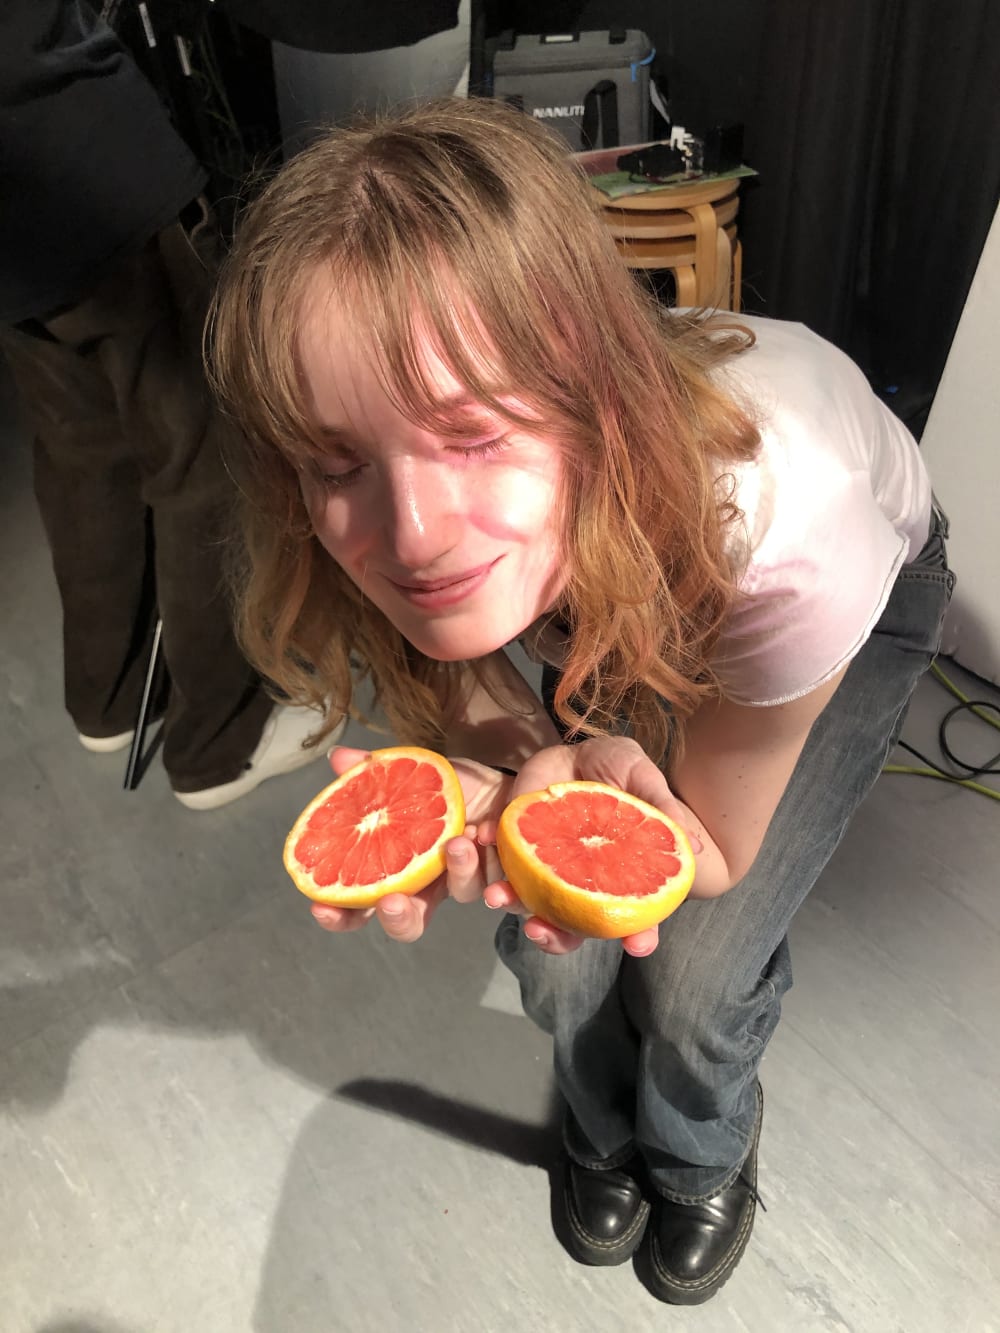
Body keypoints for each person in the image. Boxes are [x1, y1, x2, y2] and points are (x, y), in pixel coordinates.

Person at [208, 97, 953, 1303]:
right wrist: (512, 780)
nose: (408, 539)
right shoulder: (416, 537)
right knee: (556, 963)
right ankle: (597, 1121)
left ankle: (698, 1143)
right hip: (599, 558)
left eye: (471, 434)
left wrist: (583, 775)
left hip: (788, 599)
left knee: (700, 971)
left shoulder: (790, 522)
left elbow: (703, 848)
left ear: (588, 394)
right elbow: (480, 692)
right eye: (337, 462)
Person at [0, 0, 342, 809]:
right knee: (209, 455)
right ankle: (218, 740)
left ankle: (107, 695)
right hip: (75, 141)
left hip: (19, 196)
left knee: (80, 444)